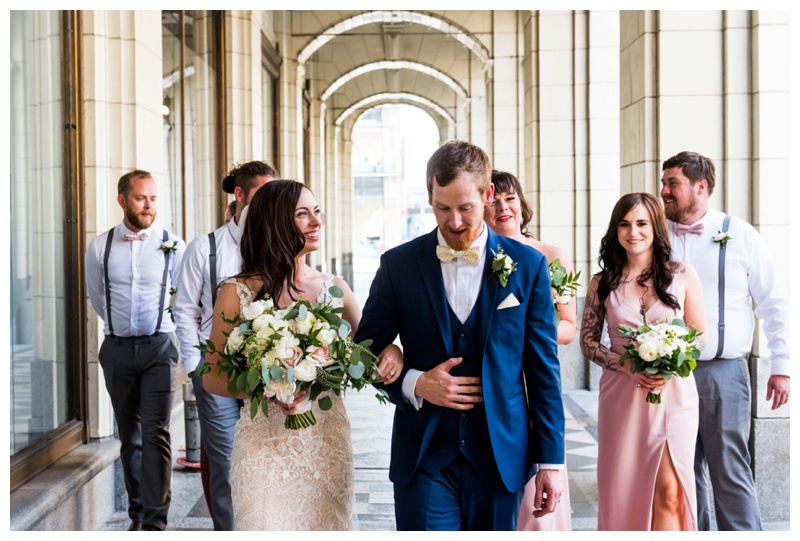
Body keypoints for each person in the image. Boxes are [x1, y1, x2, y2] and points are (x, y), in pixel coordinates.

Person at [354, 140, 566, 531]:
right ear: (430, 197)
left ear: (487, 197)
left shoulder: (529, 266)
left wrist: (550, 462)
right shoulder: (398, 265)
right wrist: (414, 382)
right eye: (442, 207)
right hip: (423, 456)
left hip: (501, 455)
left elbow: (543, 370)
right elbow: (363, 352)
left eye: (465, 208)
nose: (453, 222)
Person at [202, 180, 403, 530]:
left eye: (317, 212)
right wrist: (270, 387)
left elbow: (366, 357)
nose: (316, 221)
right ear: (275, 222)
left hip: (325, 445)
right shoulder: (236, 292)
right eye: (302, 214)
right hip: (262, 447)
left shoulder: (334, 289)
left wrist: (394, 353)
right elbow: (213, 376)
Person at [660, 151, 790, 530]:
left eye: (673, 184)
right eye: (664, 183)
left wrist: (781, 367)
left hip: (725, 373)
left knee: (730, 469)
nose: (664, 191)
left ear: (700, 187)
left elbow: (775, 302)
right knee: (682, 472)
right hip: (667, 376)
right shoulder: (654, 235)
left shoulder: (740, 234)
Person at [580, 192, 707, 530]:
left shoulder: (681, 273)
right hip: (623, 396)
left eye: (641, 223)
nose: (632, 232)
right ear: (615, 230)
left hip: (674, 394)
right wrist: (626, 366)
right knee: (626, 487)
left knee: (669, 491)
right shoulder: (602, 283)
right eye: (624, 224)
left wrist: (671, 359)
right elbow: (588, 343)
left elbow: (699, 334)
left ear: (655, 228)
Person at [173, 161, 276, 530]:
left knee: (261, 460)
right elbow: (183, 311)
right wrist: (194, 368)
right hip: (214, 366)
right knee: (227, 463)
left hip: (266, 369)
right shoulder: (204, 248)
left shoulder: (273, 246)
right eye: (263, 195)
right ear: (241, 196)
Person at [85, 170, 186, 531]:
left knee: (156, 433)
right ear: (122, 200)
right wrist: (121, 330)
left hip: (160, 347)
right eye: (141, 198)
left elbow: (182, 297)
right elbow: (98, 297)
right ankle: (137, 513)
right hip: (117, 350)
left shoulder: (172, 243)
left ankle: (156, 523)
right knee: (129, 435)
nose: (148, 206)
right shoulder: (100, 246)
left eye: (153, 198)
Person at [484, 170, 576, 531]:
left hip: (535, 376)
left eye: (511, 199)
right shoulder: (480, 258)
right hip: (497, 377)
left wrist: (533, 335)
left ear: (522, 204)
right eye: (495, 200)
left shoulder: (551, 257)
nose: (504, 207)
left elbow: (568, 324)